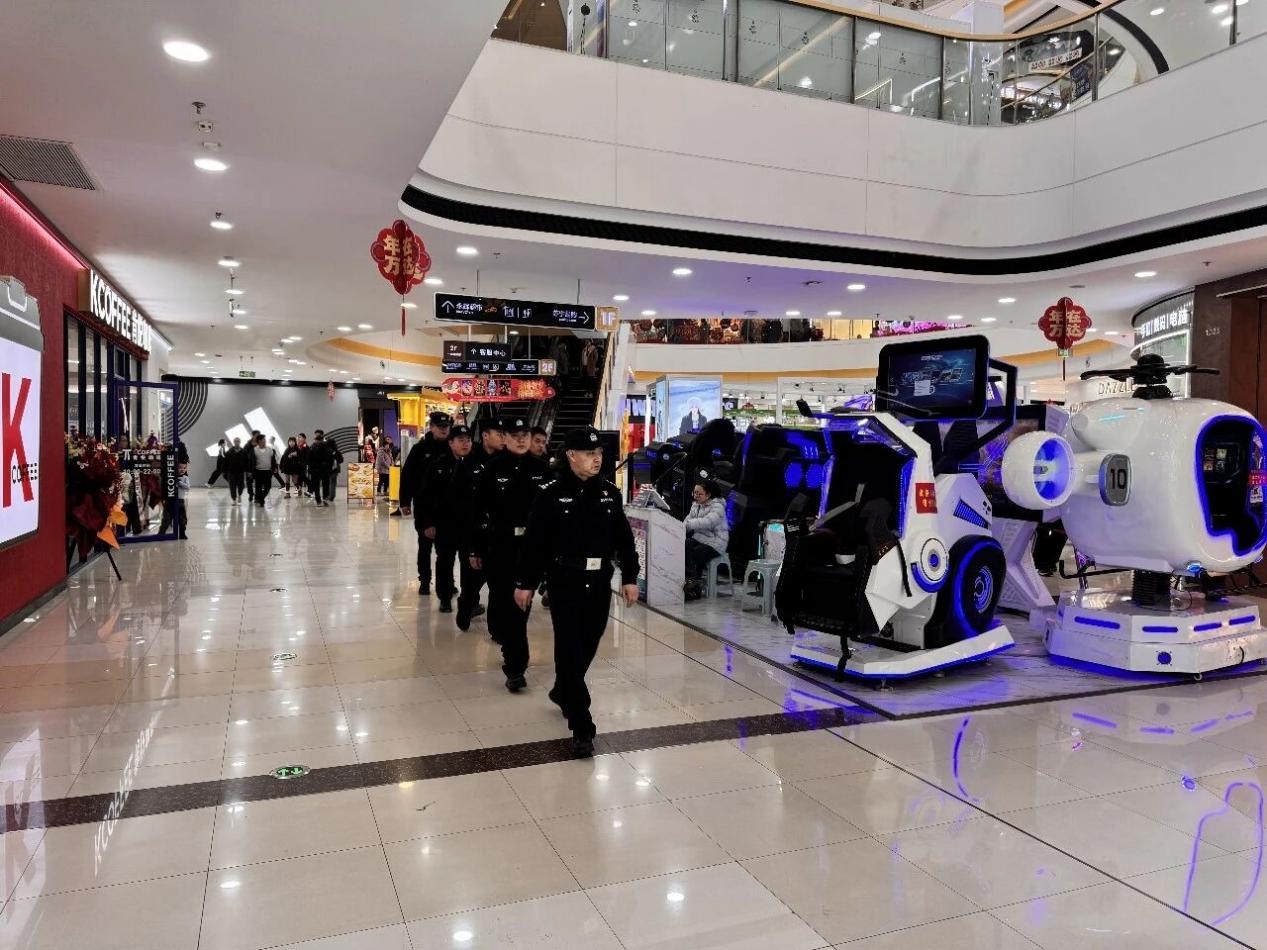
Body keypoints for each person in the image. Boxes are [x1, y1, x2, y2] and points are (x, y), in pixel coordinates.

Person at [515, 426, 640, 758]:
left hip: (599, 583)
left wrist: (630, 576)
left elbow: (624, 539)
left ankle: (562, 690)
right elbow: (535, 543)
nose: (596, 459)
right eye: (588, 454)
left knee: (587, 646)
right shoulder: (551, 494)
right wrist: (525, 583)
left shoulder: (609, 493)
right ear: (571, 455)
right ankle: (582, 725)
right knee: (570, 650)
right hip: (565, 581)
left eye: (599, 454)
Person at [468, 418, 551, 691]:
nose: (521, 439)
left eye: (525, 434)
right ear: (505, 438)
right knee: (505, 602)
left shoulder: (541, 469)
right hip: (501, 547)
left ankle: (516, 665)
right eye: (515, 435)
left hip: (531, 547)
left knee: (520, 608)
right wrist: (475, 548)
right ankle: (513, 660)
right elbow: (478, 511)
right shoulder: (493, 469)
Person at [415, 424, 475, 613]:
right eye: (461, 440)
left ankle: (469, 599)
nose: (465, 444)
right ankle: (445, 597)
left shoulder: (475, 465)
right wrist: (427, 523)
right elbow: (425, 496)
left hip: (468, 525)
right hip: (445, 524)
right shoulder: (438, 465)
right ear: (451, 443)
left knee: (469, 563)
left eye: (468, 440)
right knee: (445, 561)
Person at [399, 412, 453, 595]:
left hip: (448, 508)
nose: (444, 430)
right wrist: (405, 501)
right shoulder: (420, 449)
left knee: (446, 549)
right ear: (432, 427)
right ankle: (424, 580)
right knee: (425, 546)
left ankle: (448, 581)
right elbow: (407, 476)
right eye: (440, 427)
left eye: (446, 427)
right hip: (424, 506)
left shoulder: (453, 448)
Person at [683, 479, 729, 599]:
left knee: (695, 553)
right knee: (686, 544)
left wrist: (689, 524)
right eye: (694, 492)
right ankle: (692, 582)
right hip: (700, 539)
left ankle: (693, 584)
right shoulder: (695, 505)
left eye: (699, 494)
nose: (695, 496)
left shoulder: (718, 507)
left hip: (716, 542)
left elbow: (708, 522)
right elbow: (687, 521)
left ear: (708, 495)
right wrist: (679, 529)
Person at [160, 462, 191, 539]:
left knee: (182, 519)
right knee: (166, 518)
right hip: (170, 500)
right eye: (180, 467)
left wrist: (179, 482)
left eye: (184, 468)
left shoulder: (185, 478)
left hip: (180, 501)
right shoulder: (171, 477)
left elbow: (187, 487)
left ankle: (182, 534)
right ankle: (161, 534)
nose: (182, 469)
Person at [307, 432, 335, 507]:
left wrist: (311, 468)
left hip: (316, 470)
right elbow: (331, 459)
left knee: (317, 486)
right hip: (324, 469)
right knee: (325, 485)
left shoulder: (312, 447)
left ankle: (318, 501)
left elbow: (309, 459)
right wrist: (329, 467)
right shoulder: (327, 447)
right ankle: (324, 499)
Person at [252, 434, 277, 506]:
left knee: (268, 487)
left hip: (267, 471)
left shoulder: (269, 449)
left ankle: (261, 498)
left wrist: (274, 467)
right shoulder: (255, 450)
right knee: (258, 487)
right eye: (263, 440)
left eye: (265, 440)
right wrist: (251, 471)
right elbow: (252, 461)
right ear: (259, 441)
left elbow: (273, 459)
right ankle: (261, 501)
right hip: (258, 471)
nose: (265, 441)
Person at [225, 437, 248, 503]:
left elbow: (247, 461)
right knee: (232, 486)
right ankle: (234, 499)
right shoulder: (229, 451)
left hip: (240, 472)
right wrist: (224, 471)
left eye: (238, 441)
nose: (237, 442)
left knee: (241, 486)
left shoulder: (244, 451)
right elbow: (226, 462)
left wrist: (247, 469)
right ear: (234, 442)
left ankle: (239, 495)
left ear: (240, 442)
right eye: (235, 441)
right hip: (231, 472)